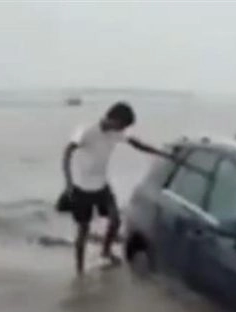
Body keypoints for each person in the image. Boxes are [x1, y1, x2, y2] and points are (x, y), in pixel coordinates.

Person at [62, 101, 171, 275]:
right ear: (113, 118)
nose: (123, 130)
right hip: (81, 187)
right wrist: (68, 182)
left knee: (115, 220)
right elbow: (67, 153)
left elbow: (137, 144)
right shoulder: (86, 130)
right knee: (83, 229)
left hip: (102, 185)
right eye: (122, 125)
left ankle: (105, 251)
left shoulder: (115, 133)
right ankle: (79, 270)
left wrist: (161, 153)